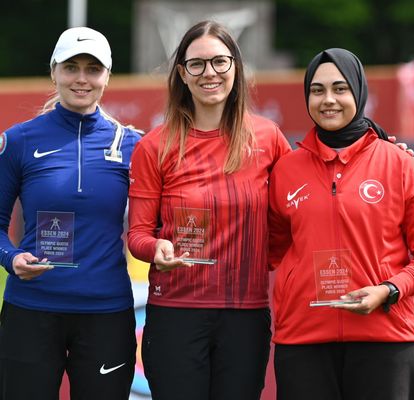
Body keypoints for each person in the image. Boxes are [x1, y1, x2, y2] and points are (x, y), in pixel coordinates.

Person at [267, 48, 414, 400]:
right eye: (317, 90)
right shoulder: (286, 170)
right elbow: (270, 250)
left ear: (359, 91)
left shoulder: (401, 165)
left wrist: (389, 290)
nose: (328, 100)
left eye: (340, 88)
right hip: (303, 341)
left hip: (385, 338)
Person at [126, 20, 291, 400]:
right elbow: (137, 235)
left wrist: (381, 147)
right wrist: (157, 250)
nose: (209, 73)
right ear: (182, 74)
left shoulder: (268, 138)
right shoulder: (155, 146)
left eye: (220, 62)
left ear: (235, 67)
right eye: (197, 64)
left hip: (245, 313)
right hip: (176, 314)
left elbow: (305, 199)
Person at [0, 27, 140, 399]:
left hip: (106, 313)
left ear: (107, 76)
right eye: (71, 67)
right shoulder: (18, 140)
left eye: (93, 69)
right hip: (31, 309)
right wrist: (11, 258)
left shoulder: (132, 144)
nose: (81, 78)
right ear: (53, 72)